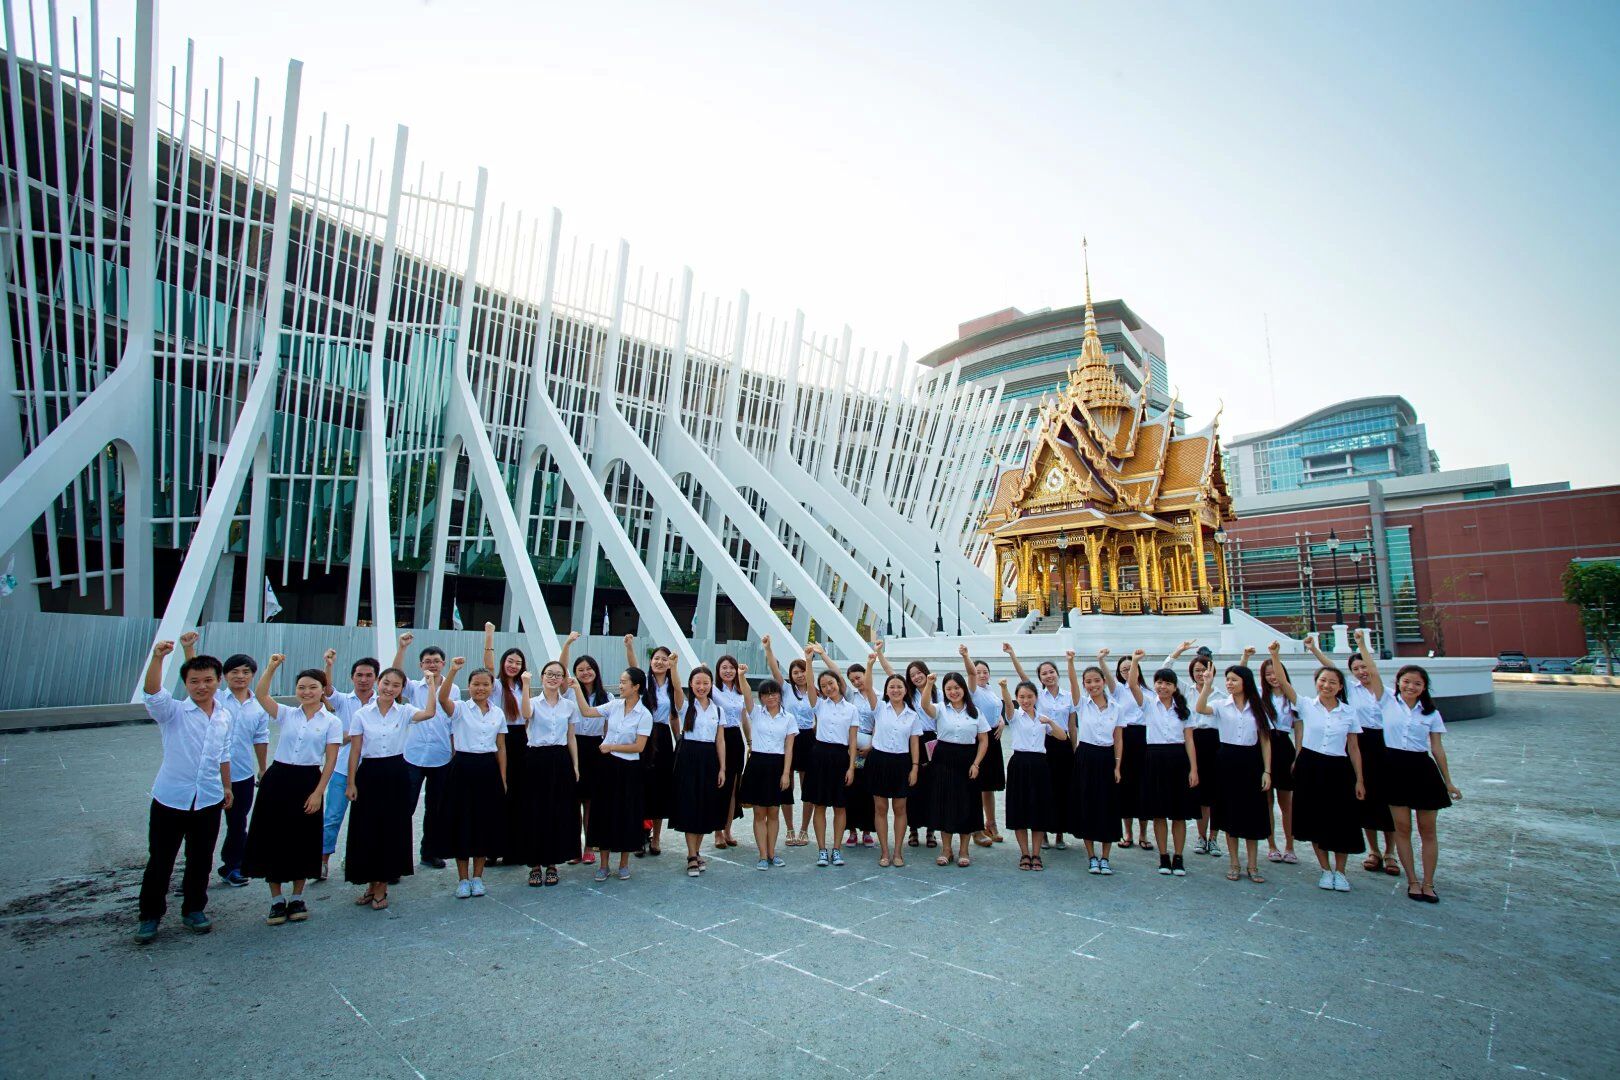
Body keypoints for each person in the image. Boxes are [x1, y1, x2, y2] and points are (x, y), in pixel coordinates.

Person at [133, 642, 233, 944]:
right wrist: (158, 657)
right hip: (171, 799)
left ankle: (194, 909)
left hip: (208, 799)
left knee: (201, 858)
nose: (201, 686)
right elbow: (152, 692)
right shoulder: (173, 712)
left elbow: (223, 753)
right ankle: (150, 915)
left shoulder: (223, 716)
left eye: (208, 680)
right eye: (194, 681)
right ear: (186, 683)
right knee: (161, 860)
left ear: (218, 681)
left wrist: (226, 785)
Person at [1356, 635, 1461, 903]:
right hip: (1392, 766)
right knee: (1402, 827)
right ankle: (1412, 880)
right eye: (1406, 681)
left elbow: (1437, 748)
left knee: (1428, 830)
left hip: (1421, 769)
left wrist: (1448, 781)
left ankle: (1429, 882)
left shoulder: (1431, 713)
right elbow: (1373, 670)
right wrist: (1361, 645)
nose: (1410, 686)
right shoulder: (1387, 701)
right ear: (1398, 683)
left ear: (1424, 687)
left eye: (1417, 683)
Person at [243, 654, 342, 924]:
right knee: (273, 837)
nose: (306, 692)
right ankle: (276, 899)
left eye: (312, 687)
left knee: (302, 839)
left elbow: (331, 760)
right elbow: (262, 694)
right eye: (301, 687)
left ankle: (297, 896)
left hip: (308, 780)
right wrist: (272, 666)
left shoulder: (331, 722)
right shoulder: (286, 713)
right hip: (278, 779)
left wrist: (319, 791)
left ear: (323, 690)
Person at [1264, 641, 1365, 892]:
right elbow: (1285, 685)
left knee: (1341, 820)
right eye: (1322, 681)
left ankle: (1341, 871)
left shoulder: (1349, 713)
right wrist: (1274, 656)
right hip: (1311, 765)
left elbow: (1353, 747)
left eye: (1332, 682)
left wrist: (1360, 779)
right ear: (1316, 683)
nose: (1327, 686)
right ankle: (1325, 869)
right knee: (1315, 818)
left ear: (1340, 687)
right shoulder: (1307, 705)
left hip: (1339, 768)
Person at [178, 632, 267, 889]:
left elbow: (260, 738)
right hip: (207, 776)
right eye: (234, 672)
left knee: (238, 824)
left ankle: (233, 866)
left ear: (252, 675)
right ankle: (192, 878)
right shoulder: (214, 698)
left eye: (246, 672)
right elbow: (196, 676)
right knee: (198, 830)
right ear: (224, 676)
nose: (240, 676)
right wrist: (189, 649)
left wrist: (262, 768)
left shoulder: (258, 705)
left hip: (241, 774)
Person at [345, 668, 437, 910]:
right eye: (386, 683)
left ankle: (382, 886)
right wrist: (351, 782)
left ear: (401, 689)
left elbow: (429, 712)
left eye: (396, 685)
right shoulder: (362, 714)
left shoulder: (405, 711)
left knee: (390, 830)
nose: (389, 688)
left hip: (396, 773)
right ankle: (370, 883)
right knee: (367, 830)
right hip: (369, 775)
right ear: (378, 682)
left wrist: (431, 685)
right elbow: (355, 751)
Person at [319, 644, 401, 881]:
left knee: (369, 822)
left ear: (377, 679)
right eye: (359, 675)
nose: (364, 680)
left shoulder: (385, 701)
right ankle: (322, 861)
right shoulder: (344, 701)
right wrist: (329, 665)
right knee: (333, 817)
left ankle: (360, 859)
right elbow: (326, 688)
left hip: (374, 773)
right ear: (352, 677)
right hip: (343, 770)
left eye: (369, 676)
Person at [436, 657, 514, 898]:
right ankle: (462, 879)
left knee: (484, 823)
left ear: (492, 687)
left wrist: (502, 778)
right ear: (469, 686)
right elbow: (441, 698)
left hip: (488, 769)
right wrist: (452, 671)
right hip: (463, 767)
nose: (480, 688)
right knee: (463, 823)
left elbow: (501, 747)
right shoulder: (459, 708)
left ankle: (478, 877)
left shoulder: (497, 713)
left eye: (485, 685)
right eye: (476, 684)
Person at [1194, 659, 1274, 883]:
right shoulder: (1220, 704)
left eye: (1234, 680)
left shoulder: (1259, 707)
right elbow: (1200, 708)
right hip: (1226, 760)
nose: (1229, 683)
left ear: (1245, 682)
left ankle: (1253, 864)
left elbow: (1266, 741)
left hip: (1251, 761)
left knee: (1251, 814)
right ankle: (1234, 863)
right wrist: (1207, 686)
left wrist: (1267, 771)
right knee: (1229, 814)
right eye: (1227, 679)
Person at [573, 667, 653, 881]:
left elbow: (639, 746)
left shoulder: (644, 714)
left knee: (626, 814)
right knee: (603, 813)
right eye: (620, 681)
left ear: (636, 687)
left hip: (629, 770)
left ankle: (624, 864)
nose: (620, 686)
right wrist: (576, 689)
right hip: (607, 767)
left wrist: (612, 747)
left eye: (624, 682)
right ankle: (604, 865)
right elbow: (587, 712)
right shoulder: (615, 706)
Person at [1125, 655, 1198, 876]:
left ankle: (1178, 856)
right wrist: (1135, 661)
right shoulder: (1148, 704)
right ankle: (1163, 855)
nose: (1162, 687)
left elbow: (1189, 741)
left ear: (1175, 687)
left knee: (1179, 813)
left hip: (1178, 759)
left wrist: (1194, 769)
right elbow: (1131, 684)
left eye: (1167, 683)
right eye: (1159, 682)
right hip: (1154, 758)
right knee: (1158, 812)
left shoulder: (1183, 709)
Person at [1003, 643, 1076, 851]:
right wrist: (1012, 654)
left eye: (1051, 672)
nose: (1048, 676)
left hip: (1062, 742)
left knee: (1062, 788)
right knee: (1044, 790)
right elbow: (1023, 679)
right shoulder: (1037, 696)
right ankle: (1041, 833)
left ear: (1056, 674)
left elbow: (1071, 725)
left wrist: (1075, 747)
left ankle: (1060, 833)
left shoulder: (1068, 696)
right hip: (1041, 743)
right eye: (1044, 674)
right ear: (1040, 678)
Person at [523, 660, 583, 886]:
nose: (553, 678)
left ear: (563, 679)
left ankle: (552, 864)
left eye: (558, 675)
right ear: (542, 676)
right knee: (535, 811)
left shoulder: (568, 706)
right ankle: (535, 865)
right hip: (536, 758)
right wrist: (526, 684)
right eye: (549, 674)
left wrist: (575, 765)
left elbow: (571, 737)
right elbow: (525, 714)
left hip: (560, 759)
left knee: (557, 811)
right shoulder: (532, 702)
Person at [401, 636, 459, 870]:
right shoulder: (414, 687)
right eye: (427, 661)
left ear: (443, 664)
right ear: (420, 665)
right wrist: (402, 648)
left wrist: (455, 751)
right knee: (405, 807)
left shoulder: (452, 688)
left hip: (441, 755)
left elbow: (453, 720)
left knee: (435, 809)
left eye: (436, 661)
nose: (432, 665)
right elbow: (394, 672)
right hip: (413, 755)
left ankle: (430, 852)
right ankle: (399, 858)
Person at [875, 644, 940, 849]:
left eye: (919, 673)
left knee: (931, 787)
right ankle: (912, 829)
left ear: (926, 673)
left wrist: (1000, 721)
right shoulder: (908, 694)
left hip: (932, 741)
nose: (916, 677)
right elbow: (890, 674)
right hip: (912, 740)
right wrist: (879, 654)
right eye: (912, 675)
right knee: (911, 787)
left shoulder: (937, 693)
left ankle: (931, 830)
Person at [668, 664, 729, 878]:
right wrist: (674, 667)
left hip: (709, 758)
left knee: (704, 805)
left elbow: (720, 740)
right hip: (688, 757)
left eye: (705, 683)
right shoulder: (685, 706)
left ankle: (697, 851)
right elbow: (676, 688)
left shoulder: (718, 710)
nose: (701, 687)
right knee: (690, 805)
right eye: (697, 683)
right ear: (691, 685)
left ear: (711, 684)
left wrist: (722, 767)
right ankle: (691, 855)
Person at [858, 673, 925, 868]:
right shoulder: (879, 708)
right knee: (880, 808)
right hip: (879, 760)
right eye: (891, 687)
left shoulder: (912, 715)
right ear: (886, 690)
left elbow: (914, 743)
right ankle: (884, 851)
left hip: (902, 763)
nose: (896, 690)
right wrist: (870, 663)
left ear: (906, 690)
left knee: (900, 808)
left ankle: (898, 851)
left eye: (899, 687)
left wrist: (914, 768)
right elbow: (868, 686)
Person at [802, 645, 860, 868]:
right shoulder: (819, 705)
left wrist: (851, 767)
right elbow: (809, 683)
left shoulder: (851, 709)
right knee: (819, 805)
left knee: (840, 806)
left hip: (840, 757)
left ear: (838, 684)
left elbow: (853, 740)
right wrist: (808, 660)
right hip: (819, 755)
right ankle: (822, 850)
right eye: (823, 686)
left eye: (831, 684)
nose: (828, 688)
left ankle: (836, 849)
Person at [1069, 650, 1126, 875]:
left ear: (1104, 682)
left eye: (1096, 681)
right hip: (1086, 756)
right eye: (1088, 682)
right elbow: (1072, 684)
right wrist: (1071, 662)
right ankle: (1091, 856)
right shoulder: (1082, 705)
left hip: (1106, 757)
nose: (1092, 685)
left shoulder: (1116, 708)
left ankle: (1105, 857)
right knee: (1088, 805)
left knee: (1107, 806)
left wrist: (1118, 765)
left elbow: (1118, 738)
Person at [999, 678, 1064, 870]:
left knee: (1039, 809)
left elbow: (1062, 737)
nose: (1026, 700)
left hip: (1040, 765)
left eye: (1029, 696)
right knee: (1020, 809)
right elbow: (1009, 707)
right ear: (1017, 699)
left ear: (1036, 697)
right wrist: (1004, 688)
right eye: (1022, 697)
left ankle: (1036, 854)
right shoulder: (1015, 716)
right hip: (1019, 763)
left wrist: (1050, 721)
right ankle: (1024, 854)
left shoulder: (1043, 718)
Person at [627, 636, 683, 858]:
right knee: (642, 787)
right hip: (643, 735)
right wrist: (630, 647)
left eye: (663, 659)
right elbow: (632, 668)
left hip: (663, 737)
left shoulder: (671, 685)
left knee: (660, 787)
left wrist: (679, 738)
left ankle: (657, 837)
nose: (659, 662)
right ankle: (641, 835)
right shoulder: (644, 683)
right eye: (656, 658)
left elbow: (676, 711)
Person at [929, 671, 991, 868]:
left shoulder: (975, 712)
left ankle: (964, 849)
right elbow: (924, 706)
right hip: (943, 759)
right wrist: (929, 684)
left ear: (963, 688)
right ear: (944, 691)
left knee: (967, 804)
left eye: (957, 688)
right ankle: (946, 848)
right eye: (949, 689)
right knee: (944, 804)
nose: (953, 692)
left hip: (967, 760)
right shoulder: (940, 709)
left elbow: (983, 740)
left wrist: (976, 764)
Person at [483, 624, 529, 866]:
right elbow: (488, 666)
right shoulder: (497, 686)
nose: (513, 665)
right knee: (498, 793)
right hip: (499, 738)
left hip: (520, 739)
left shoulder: (523, 687)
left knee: (517, 795)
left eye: (518, 663)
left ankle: (514, 849)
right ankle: (492, 849)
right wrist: (489, 636)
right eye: (510, 661)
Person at [560, 632, 609, 865]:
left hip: (595, 747)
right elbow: (560, 668)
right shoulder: (568, 691)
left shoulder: (606, 695)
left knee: (590, 800)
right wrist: (568, 644)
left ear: (596, 671)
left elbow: (608, 726)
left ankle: (589, 845)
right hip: (574, 745)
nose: (585, 672)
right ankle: (572, 848)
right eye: (580, 669)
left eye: (589, 668)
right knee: (572, 800)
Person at [740, 677, 797, 869]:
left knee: (774, 812)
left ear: (780, 695)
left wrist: (786, 773)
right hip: (757, 764)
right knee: (759, 813)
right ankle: (762, 855)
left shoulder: (789, 718)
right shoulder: (755, 713)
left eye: (774, 693)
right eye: (766, 694)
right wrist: (741, 675)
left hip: (778, 765)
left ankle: (772, 853)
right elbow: (747, 693)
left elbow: (789, 748)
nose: (771, 697)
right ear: (761, 697)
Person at [763, 634, 812, 847]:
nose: (799, 675)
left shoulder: (815, 691)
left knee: (808, 786)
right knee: (786, 785)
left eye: (802, 671)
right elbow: (775, 669)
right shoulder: (785, 690)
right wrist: (768, 649)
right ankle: (790, 829)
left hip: (809, 739)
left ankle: (804, 829)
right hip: (788, 737)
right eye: (795, 672)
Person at [1102, 652, 1149, 852]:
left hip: (1145, 738)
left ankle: (1144, 833)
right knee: (1125, 785)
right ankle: (1128, 832)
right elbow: (1107, 676)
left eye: (1131, 668)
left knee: (1143, 786)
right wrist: (1101, 660)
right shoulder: (1118, 690)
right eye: (1124, 669)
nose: (1128, 672)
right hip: (1124, 736)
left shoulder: (1150, 690)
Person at [959, 646, 1006, 847]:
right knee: (977, 785)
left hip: (994, 741)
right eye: (978, 672)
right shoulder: (973, 690)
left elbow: (996, 709)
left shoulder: (990, 690)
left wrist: (1002, 720)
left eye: (985, 672)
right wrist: (966, 656)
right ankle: (976, 828)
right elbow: (970, 672)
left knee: (989, 787)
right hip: (979, 741)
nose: (982, 675)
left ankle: (991, 824)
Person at [1258, 654, 1299, 866]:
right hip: (1264, 745)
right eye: (1268, 674)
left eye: (1276, 673)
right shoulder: (1259, 695)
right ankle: (1272, 845)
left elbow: (1298, 728)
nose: (1272, 677)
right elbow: (1240, 673)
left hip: (1284, 747)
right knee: (1267, 802)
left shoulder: (1291, 698)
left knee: (1287, 803)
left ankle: (1290, 846)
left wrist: (1298, 756)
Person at [838, 654, 878, 849]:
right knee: (851, 788)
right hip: (851, 748)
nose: (856, 681)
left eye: (859, 677)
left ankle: (867, 831)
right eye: (852, 679)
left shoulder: (876, 695)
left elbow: (880, 721)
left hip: (870, 747)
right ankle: (852, 831)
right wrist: (822, 655)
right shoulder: (850, 696)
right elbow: (836, 675)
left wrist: (872, 746)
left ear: (866, 675)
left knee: (868, 789)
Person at [1186, 653, 1222, 857]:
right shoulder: (1186, 691)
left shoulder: (1222, 695)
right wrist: (1178, 652)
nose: (1201, 673)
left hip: (1214, 742)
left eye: (1204, 670)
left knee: (1214, 794)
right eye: (1197, 670)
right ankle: (1201, 836)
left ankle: (1214, 838)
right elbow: (1166, 670)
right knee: (1200, 793)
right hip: (1194, 740)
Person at [712, 654, 749, 848]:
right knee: (720, 785)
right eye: (724, 667)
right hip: (719, 737)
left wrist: (750, 741)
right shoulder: (712, 689)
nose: (728, 671)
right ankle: (717, 832)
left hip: (736, 738)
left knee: (734, 786)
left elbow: (744, 719)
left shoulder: (740, 691)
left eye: (731, 667)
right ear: (718, 671)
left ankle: (727, 829)